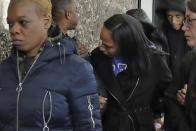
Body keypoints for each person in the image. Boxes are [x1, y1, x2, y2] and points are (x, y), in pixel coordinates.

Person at [0, 0, 102, 130]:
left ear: (46, 21)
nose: (14, 30)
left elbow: (89, 127)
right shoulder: (4, 70)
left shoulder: (76, 69)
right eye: (10, 23)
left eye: (23, 22)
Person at [90, 14, 172, 131]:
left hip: (141, 124)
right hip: (108, 125)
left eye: (108, 46)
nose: (102, 48)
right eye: (101, 42)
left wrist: (160, 117)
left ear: (126, 45)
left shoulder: (154, 61)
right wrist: (91, 98)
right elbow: (86, 88)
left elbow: (167, 94)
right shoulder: (97, 58)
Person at [164, 0, 196, 130]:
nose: (183, 27)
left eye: (189, 20)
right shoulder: (190, 61)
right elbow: (171, 99)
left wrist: (188, 100)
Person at [156, 0, 191, 77]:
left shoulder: (192, 32)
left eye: (178, 16)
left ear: (185, 15)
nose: (173, 21)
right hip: (166, 82)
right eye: (169, 16)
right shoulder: (159, 33)